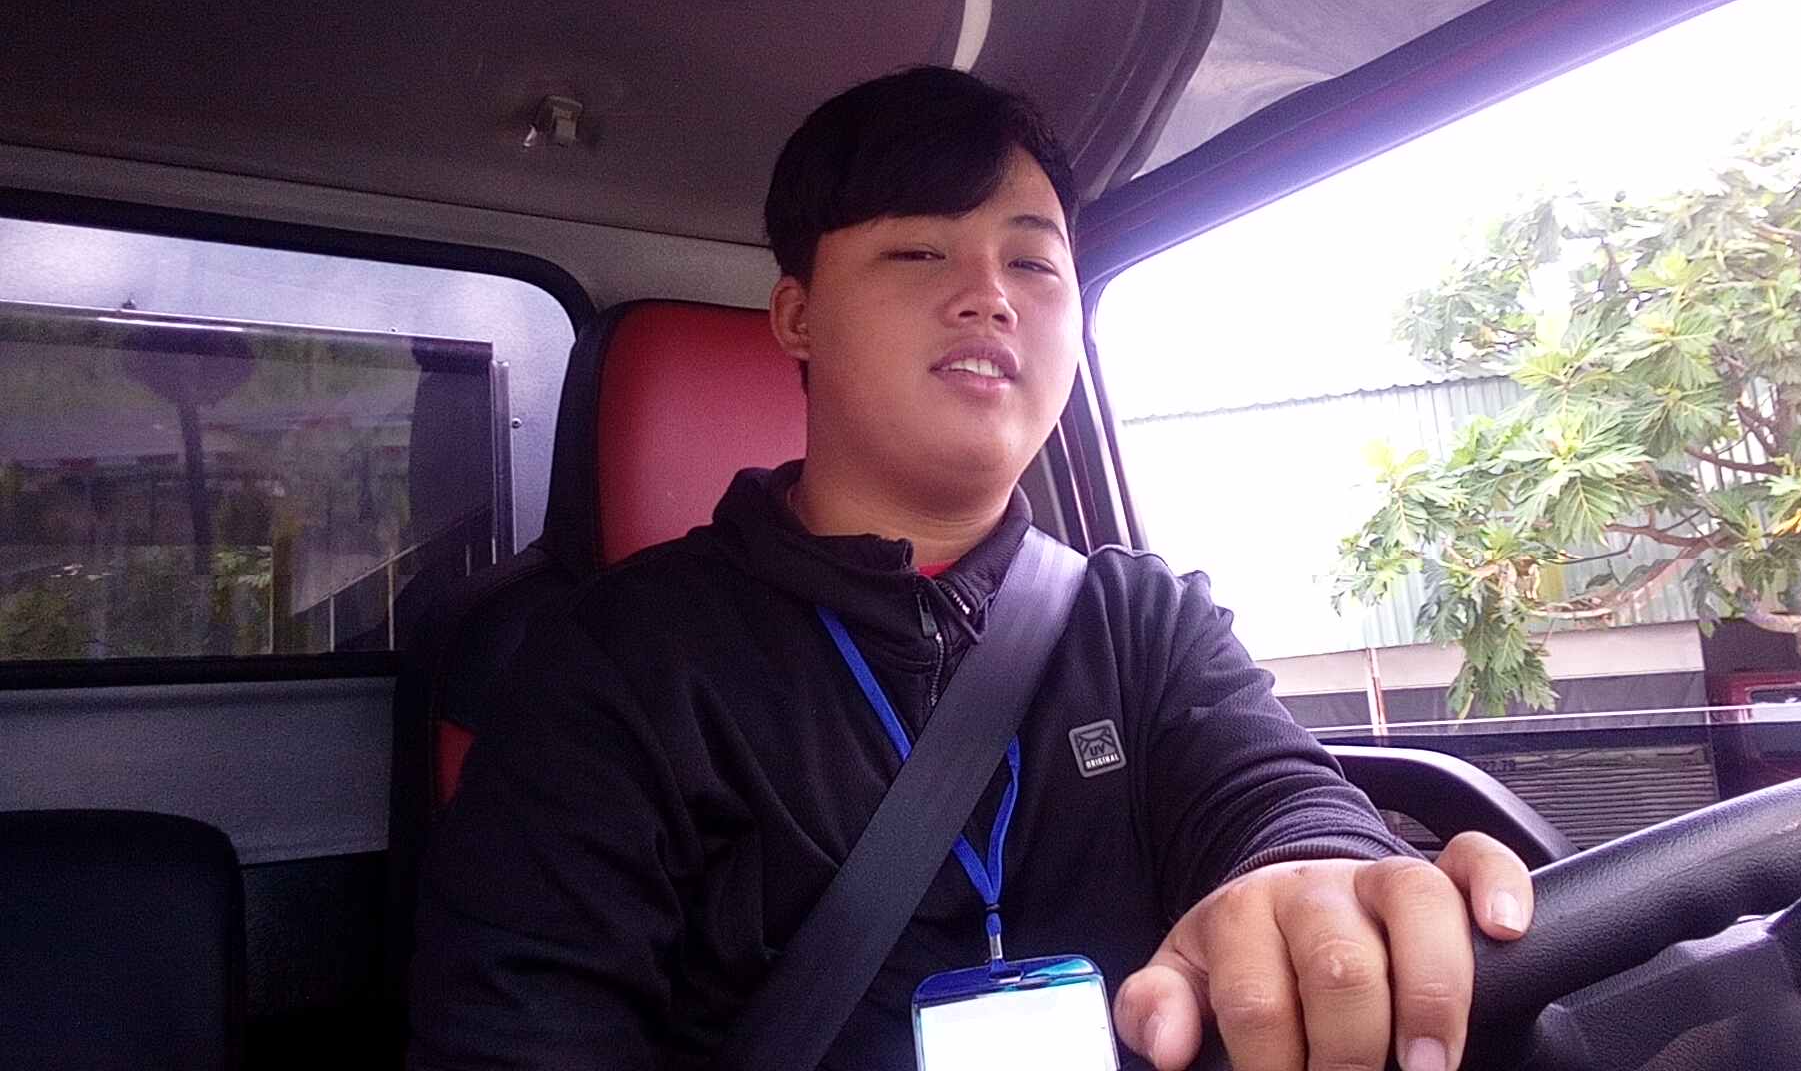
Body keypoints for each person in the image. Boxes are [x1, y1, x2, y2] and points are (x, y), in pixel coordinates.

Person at [409, 67, 1533, 1071]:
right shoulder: (618, 659)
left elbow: (1273, 799)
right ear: (797, 317)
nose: (991, 293)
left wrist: (1323, 874)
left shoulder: (1142, 619)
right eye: (919, 252)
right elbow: (523, 1028)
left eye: (1034, 262)